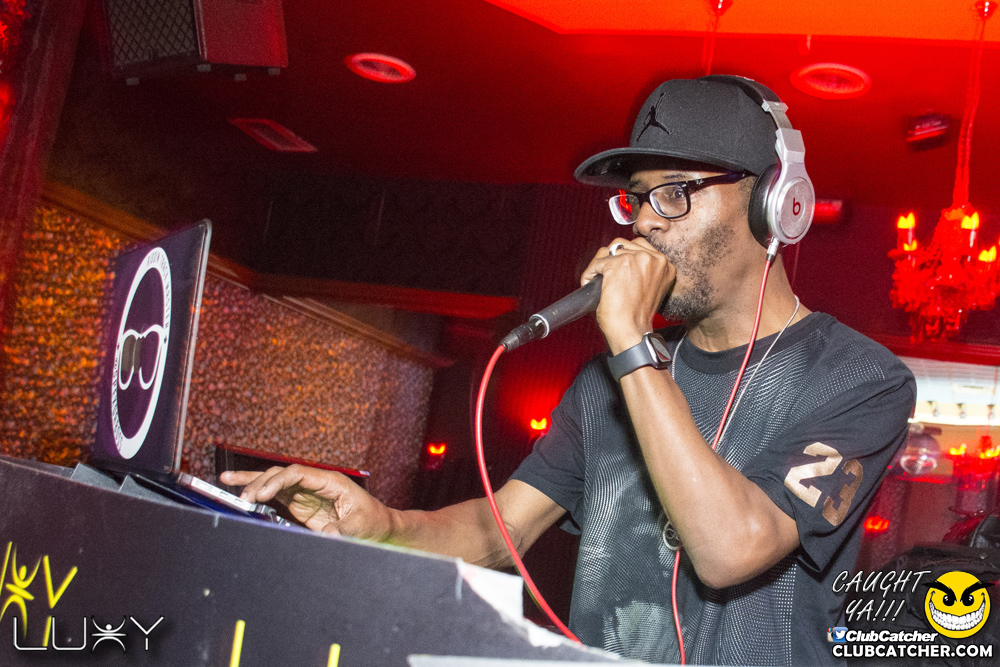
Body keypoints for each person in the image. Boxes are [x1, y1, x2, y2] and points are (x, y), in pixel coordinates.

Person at [222, 77, 915, 666]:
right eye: (637, 198)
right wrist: (384, 525)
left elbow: (733, 547)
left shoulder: (859, 379)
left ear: (775, 204)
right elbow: (502, 531)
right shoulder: (605, 383)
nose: (646, 223)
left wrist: (630, 341)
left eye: (675, 192)